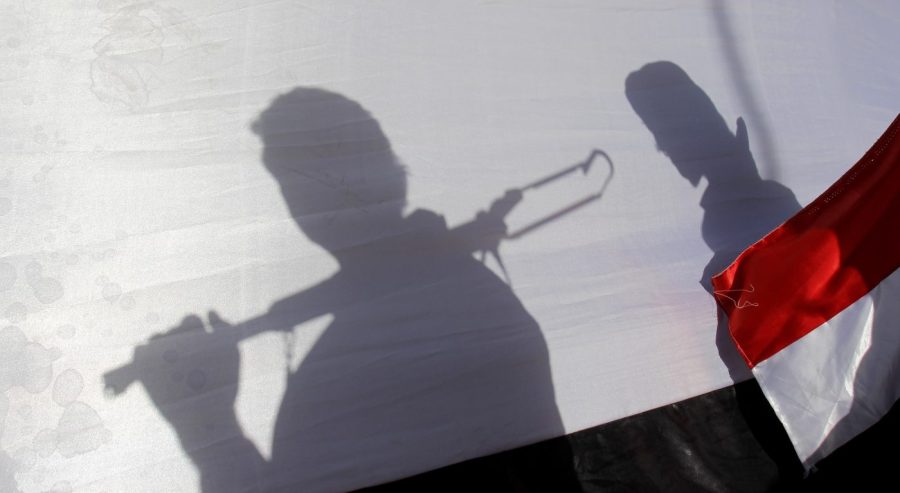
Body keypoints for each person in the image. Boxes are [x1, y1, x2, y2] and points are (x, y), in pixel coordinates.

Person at [119, 88, 579, 492]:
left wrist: (208, 430)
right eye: (296, 182)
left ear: (387, 171)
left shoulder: (439, 321)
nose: (319, 194)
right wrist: (208, 424)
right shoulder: (437, 304)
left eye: (331, 164)